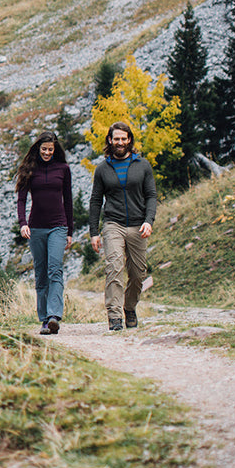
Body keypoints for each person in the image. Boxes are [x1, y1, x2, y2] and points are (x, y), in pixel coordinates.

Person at [89, 121, 156, 331]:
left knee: (138, 274)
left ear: (130, 140)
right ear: (110, 140)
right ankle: (115, 316)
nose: (120, 142)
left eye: (124, 139)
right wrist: (94, 232)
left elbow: (151, 195)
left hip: (138, 225)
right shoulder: (102, 169)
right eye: (116, 138)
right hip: (113, 224)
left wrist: (149, 220)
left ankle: (129, 307)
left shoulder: (143, 165)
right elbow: (95, 201)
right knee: (114, 268)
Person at [16, 131, 73, 335]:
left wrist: (70, 231)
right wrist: (23, 223)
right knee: (41, 274)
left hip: (58, 226)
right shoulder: (30, 169)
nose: (48, 153)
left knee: (55, 269)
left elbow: (68, 200)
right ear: (38, 149)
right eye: (44, 149)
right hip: (36, 228)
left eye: (51, 149)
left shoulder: (63, 169)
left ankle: (53, 316)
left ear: (55, 149)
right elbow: (21, 199)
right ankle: (43, 320)